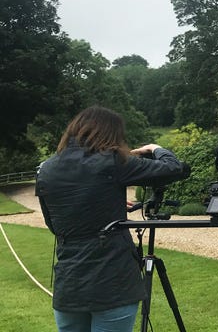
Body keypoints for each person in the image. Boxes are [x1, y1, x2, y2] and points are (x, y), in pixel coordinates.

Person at [35, 106, 186, 332]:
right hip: (113, 279)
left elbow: (55, 225)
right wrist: (156, 149)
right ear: (111, 134)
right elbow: (175, 168)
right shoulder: (113, 162)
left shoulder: (45, 169)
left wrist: (105, 203)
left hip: (69, 282)